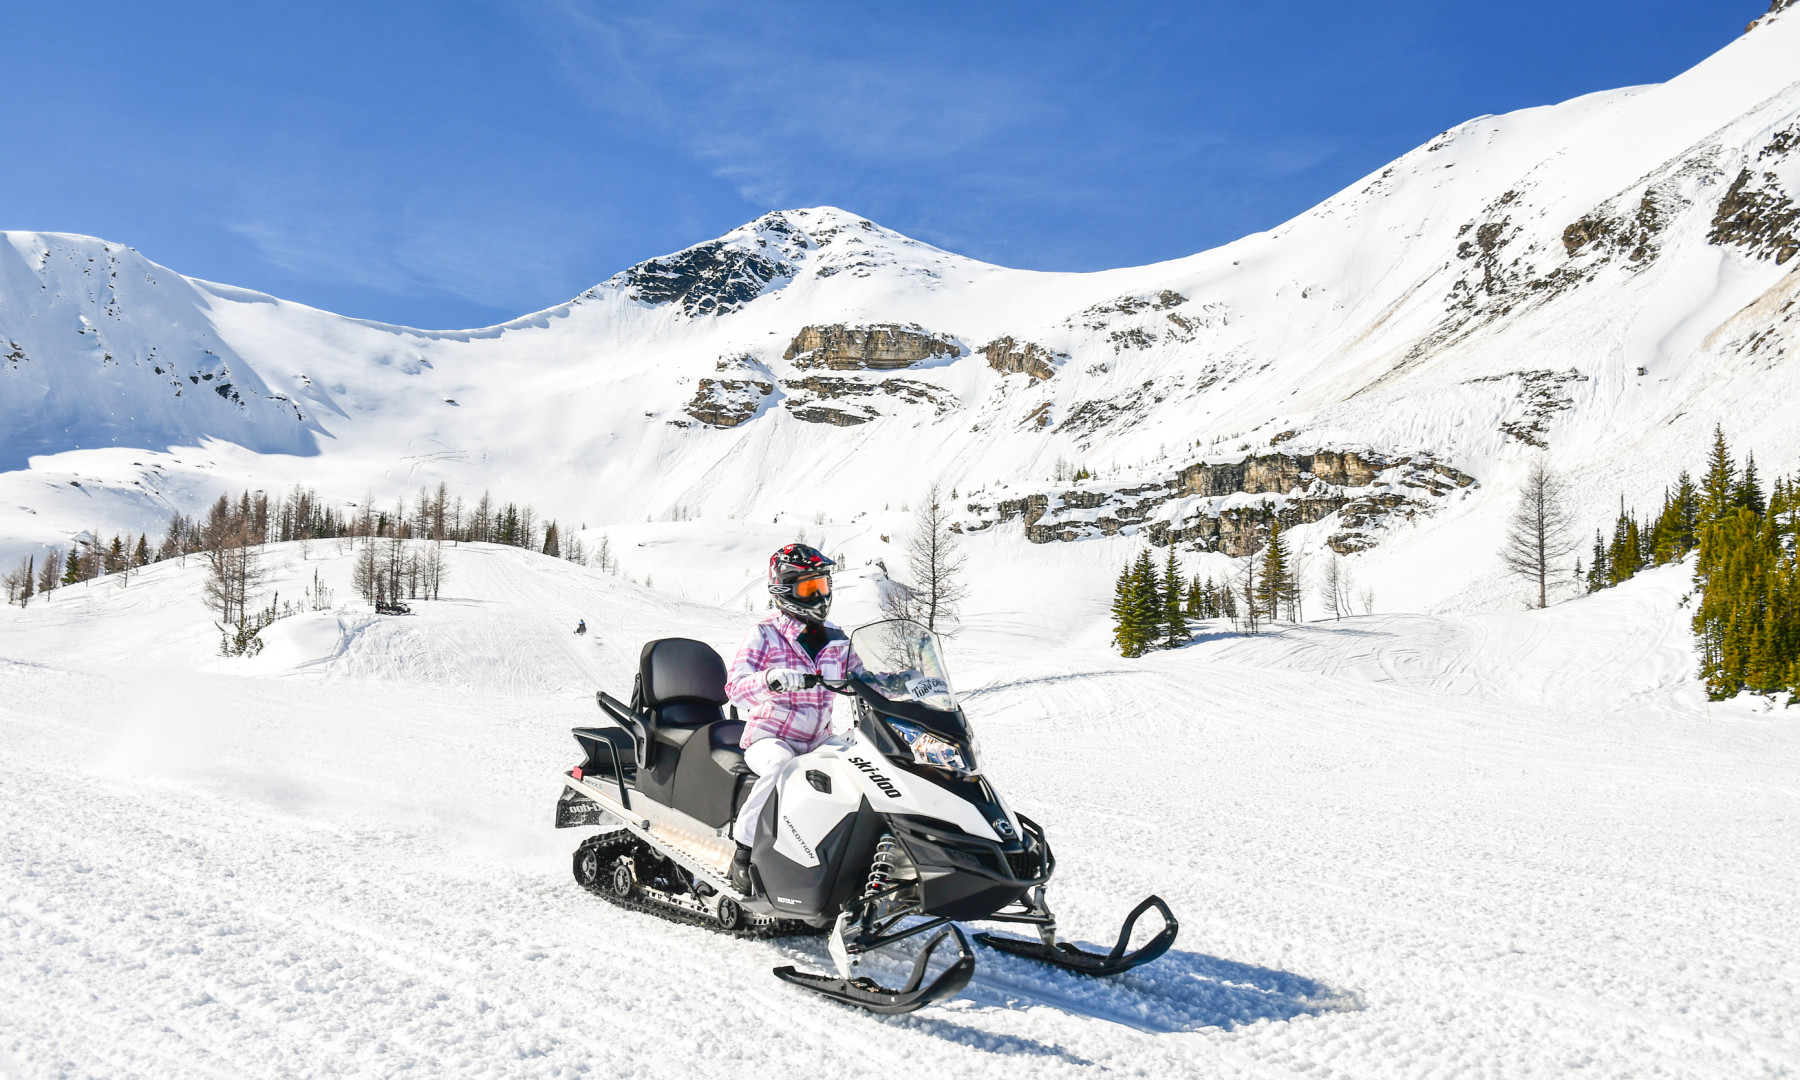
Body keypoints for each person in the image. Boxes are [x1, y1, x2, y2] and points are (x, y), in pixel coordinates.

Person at [723, 543, 859, 891]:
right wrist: (770, 680)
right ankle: (744, 851)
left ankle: (849, 854)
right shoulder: (765, 634)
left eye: (823, 586)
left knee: (863, 762)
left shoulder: (837, 639)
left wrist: (897, 679)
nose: (819, 596)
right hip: (770, 739)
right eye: (809, 588)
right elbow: (735, 688)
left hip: (818, 740)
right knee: (781, 765)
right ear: (784, 589)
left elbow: (865, 675)